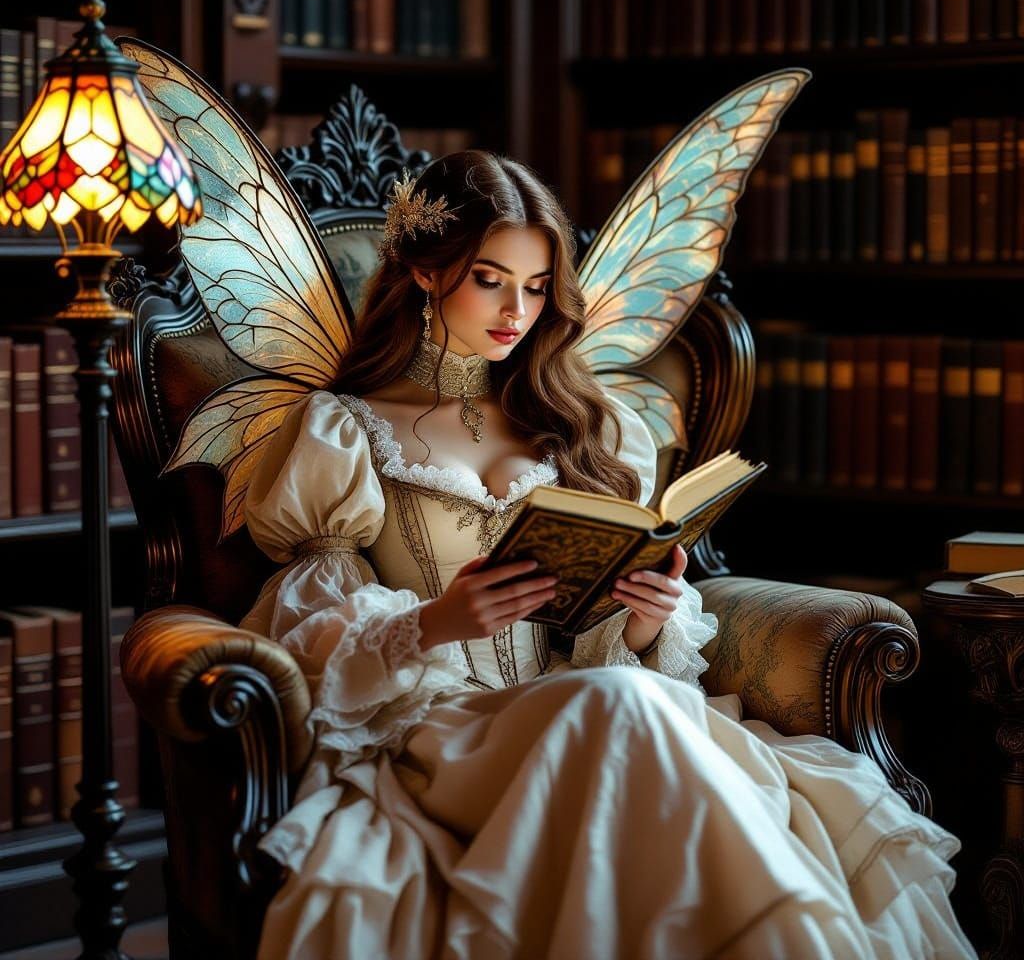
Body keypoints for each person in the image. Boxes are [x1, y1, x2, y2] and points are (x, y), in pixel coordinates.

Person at [239, 150, 976, 959]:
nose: (516, 310)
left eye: (534, 285)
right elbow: (301, 628)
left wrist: (641, 623)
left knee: (626, 699)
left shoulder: (586, 426)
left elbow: (586, 639)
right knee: (621, 706)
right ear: (423, 270)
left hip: (581, 707)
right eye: (490, 279)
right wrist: (435, 621)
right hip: (446, 735)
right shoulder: (345, 432)